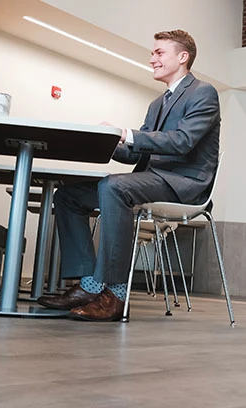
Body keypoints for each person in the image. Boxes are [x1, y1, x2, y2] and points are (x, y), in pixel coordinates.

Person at [38, 30, 220, 321]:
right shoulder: (157, 104)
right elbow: (139, 152)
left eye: (159, 53)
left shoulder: (203, 93)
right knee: (68, 195)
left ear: (182, 57)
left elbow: (183, 141)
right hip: (153, 178)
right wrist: (109, 140)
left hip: (183, 184)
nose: (152, 59)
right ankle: (89, 284)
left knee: (114, 187)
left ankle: (117, 295)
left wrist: (129, 134)